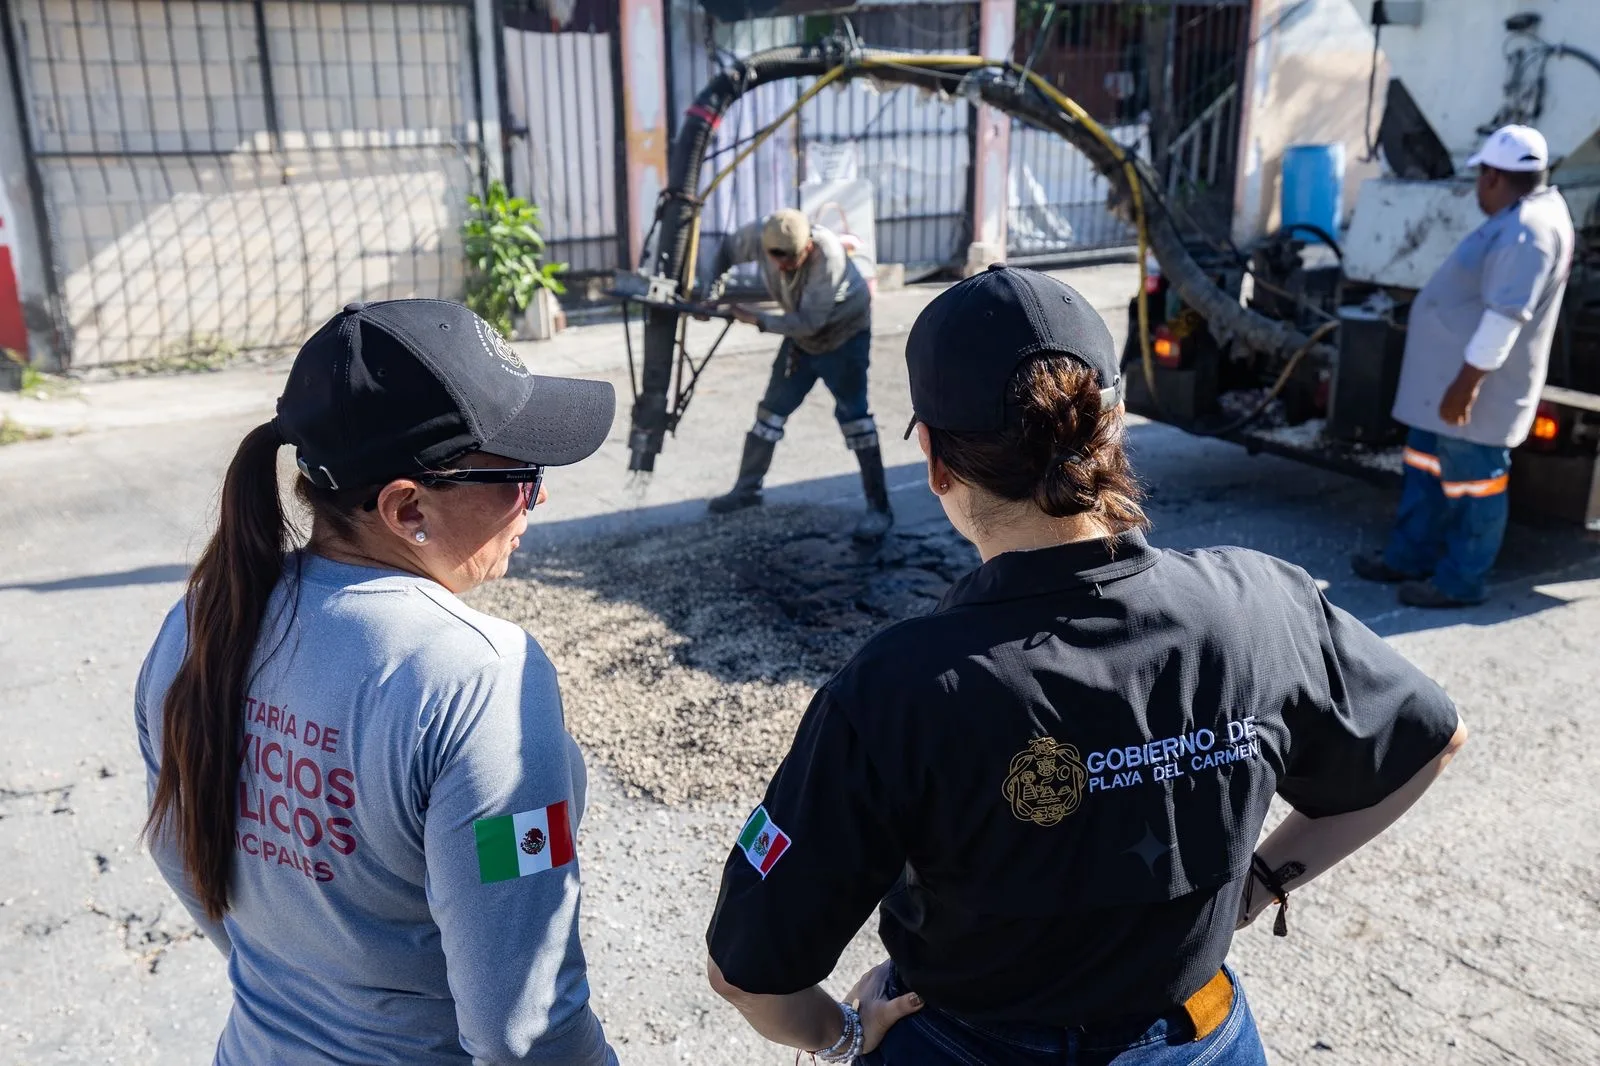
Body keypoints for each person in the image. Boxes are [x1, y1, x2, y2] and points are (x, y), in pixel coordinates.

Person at [704, 266, 1468, 1065]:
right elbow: (1430, 739)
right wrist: (1262, 882)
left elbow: (746, 973)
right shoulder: (1263, 602)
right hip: (1201, 1042)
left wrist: (844, 1033)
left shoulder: (894, 691)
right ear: (1116, 425)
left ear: (934, 463)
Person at [136, 300, 620, 1065]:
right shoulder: (477, 677)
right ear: (406, 507)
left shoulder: (201, 620)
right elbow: (522, 1027)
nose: (541, 497)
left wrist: (307, 978)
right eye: (520, 476)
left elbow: (179, 851)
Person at [1353, 124, 1574, 607]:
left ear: (1493, 176)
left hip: (1471, 393)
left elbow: (1504, 316)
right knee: (1426, 471)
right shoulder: (1523, 216)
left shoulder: (1527, 232)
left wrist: (1466, 386)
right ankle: (1408, 557)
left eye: (1480, 177)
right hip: (1443, 391)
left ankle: (1459, 582)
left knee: (1475, 487)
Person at [701, 207, 893, 542]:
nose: (785, 265)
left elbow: (809, 323)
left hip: (842, 335)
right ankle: (747, 490)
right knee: (771, 411)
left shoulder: (828, 254)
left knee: (854, 417)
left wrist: (755, 318)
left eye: (792, 258)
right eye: (778, 259)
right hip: (800, 339)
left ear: (807, 246)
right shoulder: (757, 236)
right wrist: (711, 291)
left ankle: (880, 509)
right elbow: (726, 252)